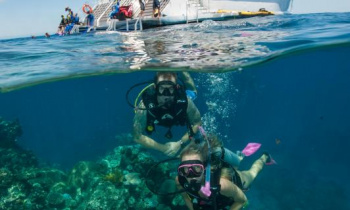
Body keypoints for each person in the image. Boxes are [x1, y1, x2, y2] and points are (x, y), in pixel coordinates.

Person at [176, 134, 275, 210]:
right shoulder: (180, 180)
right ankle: (239, 157)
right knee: (237, 163)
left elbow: (242, 200)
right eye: (185, 169)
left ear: (205, 167)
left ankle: (265, 157)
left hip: (236, 180)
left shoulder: (221, 185)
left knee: (253, 172)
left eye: (196, 168)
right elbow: (185, 197)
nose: (190, 174)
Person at [133, 72, 201, 157]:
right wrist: (163, 148)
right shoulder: (145, 105)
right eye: (161, 88)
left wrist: (180, 143)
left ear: (176, 88)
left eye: (170, 89)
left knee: (193, 91)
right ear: (155, 88)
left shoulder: (185, 102)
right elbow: (137, 136)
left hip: (180, 107)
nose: (166, 95)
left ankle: (182, 69)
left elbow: (197, 123)